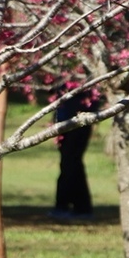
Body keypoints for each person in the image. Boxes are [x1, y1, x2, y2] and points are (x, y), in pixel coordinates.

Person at [49, 90, 97, 220]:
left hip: (77, 123)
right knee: (70, 164)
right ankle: (75, 206)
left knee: (71, 164)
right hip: (65, 122)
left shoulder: (83, 87)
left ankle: (71, 206)